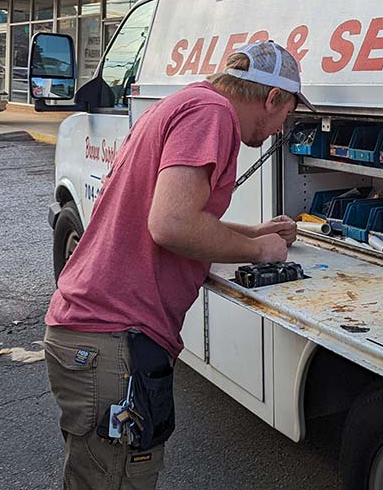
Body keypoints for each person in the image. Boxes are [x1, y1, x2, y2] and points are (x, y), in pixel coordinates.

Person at [42, 42, 313, 489]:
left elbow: (177, 217)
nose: (283, 127)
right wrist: (261, 251)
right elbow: (171, 224)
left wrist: (253, 232)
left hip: (95, 334)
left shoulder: (186, 102)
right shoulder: (213, 114)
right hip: (113, 339)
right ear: (271, 99)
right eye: (288, 114)